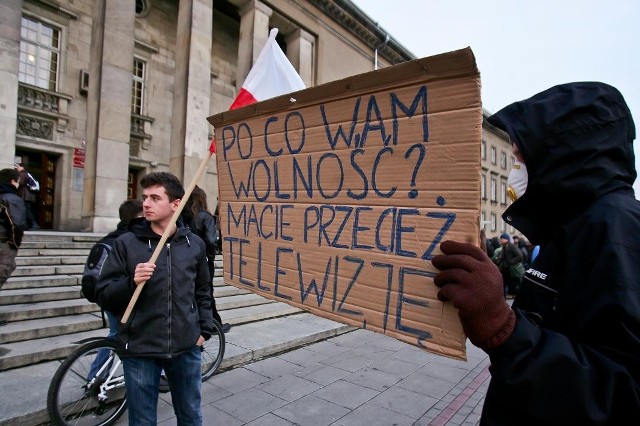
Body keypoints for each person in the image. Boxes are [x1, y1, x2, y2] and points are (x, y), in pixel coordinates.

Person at [431, 82, 640, 424]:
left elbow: (625, 392)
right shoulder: (573, 226)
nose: (514, 171)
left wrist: (505, 329)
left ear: (561, 156)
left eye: (519, 158)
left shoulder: (616, 228)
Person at [95, 172, 213, 425]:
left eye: (155, 198)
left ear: (176, 204)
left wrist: (203, 330)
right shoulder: (126, 243)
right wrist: (131, 282)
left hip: (185, 347)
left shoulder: (195, 244)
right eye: (145, 197)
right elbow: (104, 293)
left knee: (191, 415)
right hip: (140, 349)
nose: (146, 204)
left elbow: (203, 290)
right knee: (142, 420)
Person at [86, 199, 143, 379]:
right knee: (122, 334)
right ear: (138, 217)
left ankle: (97, 375)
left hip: (103, 293)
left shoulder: (110, 237)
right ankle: (98, 376)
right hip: (119, 295)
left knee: (115, 333)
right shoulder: (128, 240)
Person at [183, 185, 231, 333]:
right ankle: (213, 323)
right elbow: (211, 240)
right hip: (202, 261)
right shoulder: (205, 216)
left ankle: (208, 321)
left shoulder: (181, 216)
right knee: (205, 292)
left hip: (184, 258)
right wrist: (212, 254)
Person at [0, 168, 27, 296]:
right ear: (12, 181)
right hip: (4, 242)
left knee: (11, 265)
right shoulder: (12, 198)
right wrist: (15, 245)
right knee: (5, 269)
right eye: (18, 182)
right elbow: (16, 225)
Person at [493, 233, 523, 298]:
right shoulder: (504, 246)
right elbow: (502, 257)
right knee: (503, 285)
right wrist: (496, 262)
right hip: (505, 269)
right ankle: (503, 299)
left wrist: (510, 261)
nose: (500, 240)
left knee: (511, 285)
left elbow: (520, 256)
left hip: (511, 270)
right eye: (500, 238)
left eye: (502, 239)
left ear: (506, 239)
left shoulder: (512, 246)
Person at [14, 162, 39, 230]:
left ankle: (33, 224)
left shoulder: (22, 174)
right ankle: (29, 224)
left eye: (18, 166)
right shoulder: (27, 174)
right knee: (26, 209)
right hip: (28, 196)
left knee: (26, 210)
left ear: (22, 167)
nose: (17, 168)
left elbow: (20, 183)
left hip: (25, 195)